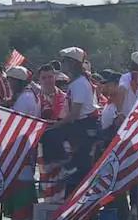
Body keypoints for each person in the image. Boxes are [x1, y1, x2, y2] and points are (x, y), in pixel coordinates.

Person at [43, 47, 101, 196]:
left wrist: (57, 124)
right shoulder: (75, 82)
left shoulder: (80, 83)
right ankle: (67, 166)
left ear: (72, 63)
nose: (62, 64)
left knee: (51, 135)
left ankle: (65, 164)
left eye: (65, 61)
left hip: (85, 125)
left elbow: (75, 113)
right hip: (79, 125)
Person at [1, 66, 42, 220]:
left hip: (22, 145)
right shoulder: (28, 95)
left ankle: (22, 215)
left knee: (22, 181)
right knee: (22, 180)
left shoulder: (25, 98)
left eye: (10, 80)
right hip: (24, 144)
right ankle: (22, 214)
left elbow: (16, 123)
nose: (9, 84)